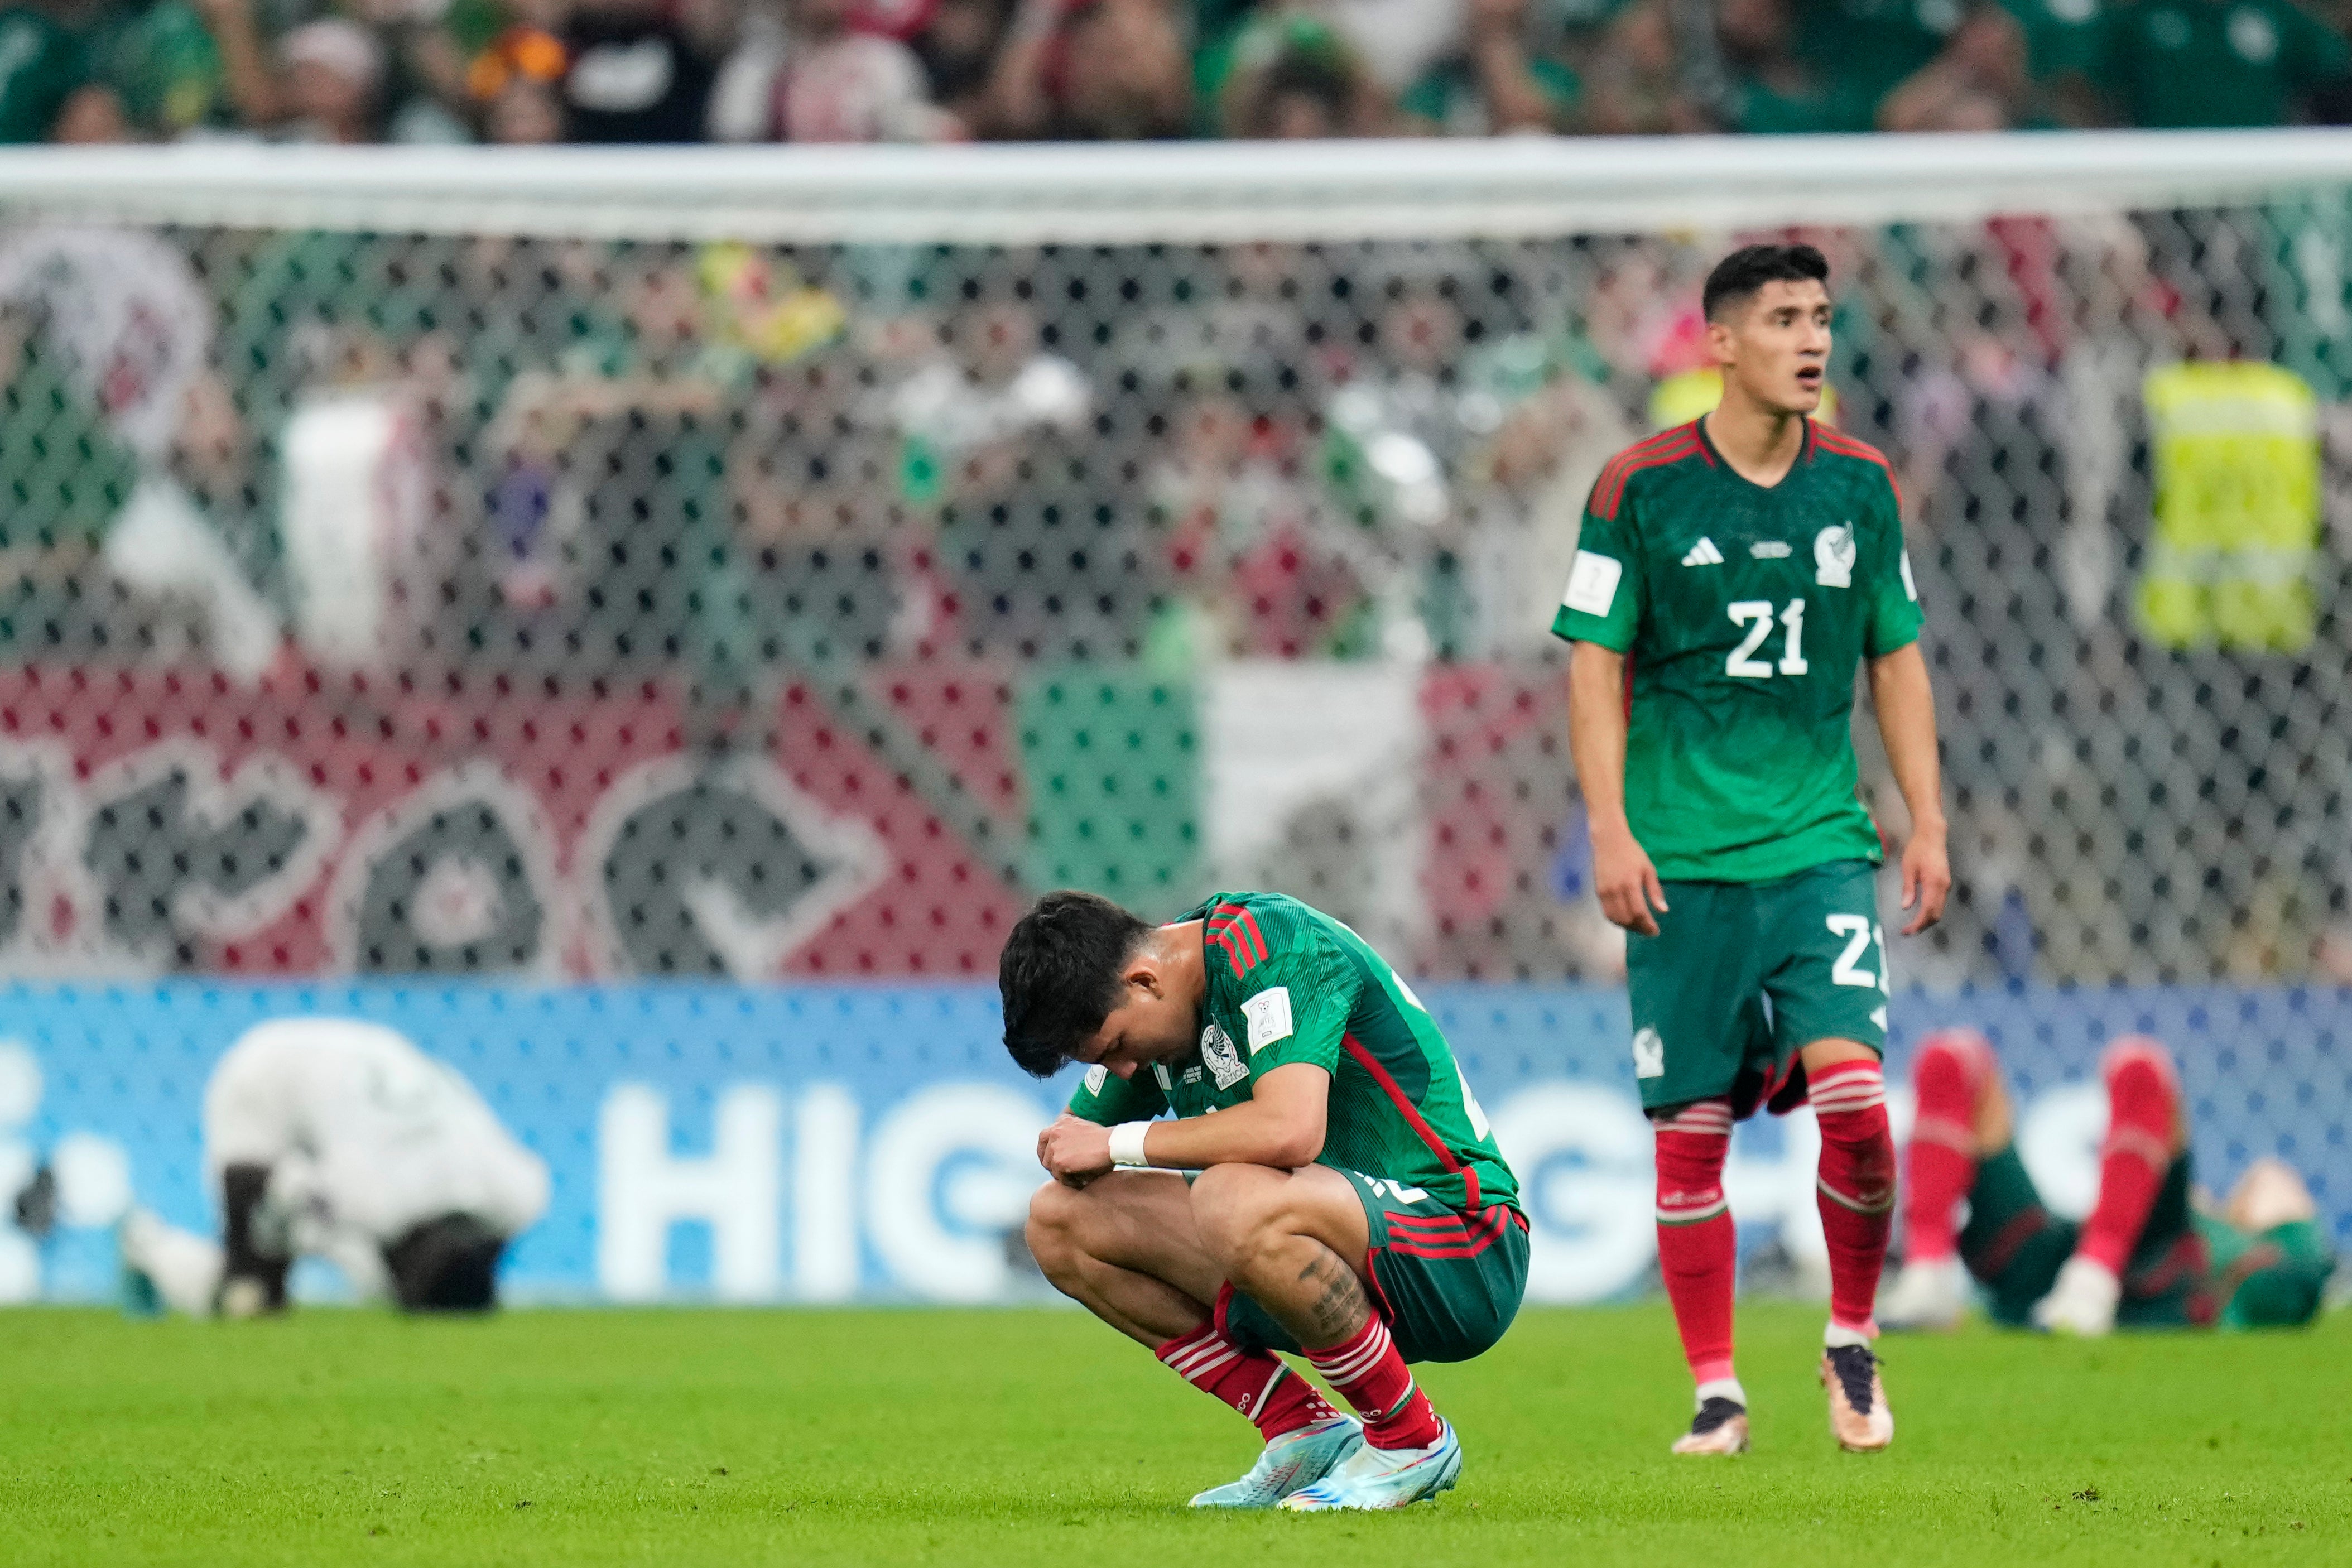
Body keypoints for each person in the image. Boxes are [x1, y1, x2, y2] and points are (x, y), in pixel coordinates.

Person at [1556, 243, 1951, 1456]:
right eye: (1783, 318)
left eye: (1821, 317)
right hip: (1679, 859)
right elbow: (1591, 661)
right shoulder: (1638, 485)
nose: (1810, 339)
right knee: (1689, 1135)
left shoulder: (1860, 484)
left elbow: (1893, 653)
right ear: (1718, 343)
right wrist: (1609, 828)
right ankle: (1716, 1386)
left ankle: (1848, 1333)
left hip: (1819, 843)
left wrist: (1924, 816)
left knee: (1851, 1093)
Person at [1001, 888, 1527, 1511]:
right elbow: (1078, 1158)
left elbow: (1289, 1130)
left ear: (1144, 979)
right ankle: (1302, 1429)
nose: (1121, 1070)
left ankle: (1412, 1439)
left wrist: (1119, 1139)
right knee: (1059, 1221)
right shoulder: (1156, 1003)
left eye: (1115, 1046)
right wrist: (1087, 1144)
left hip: (1463, 1246)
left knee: (1232, 1190)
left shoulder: (1277, 946)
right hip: (1326, 1245)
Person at [1880, 1029, 2336, 1333]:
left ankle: (2091, 1280)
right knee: (1951, 1058)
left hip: (2158, 1274)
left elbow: (2276, 1191)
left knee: (2139, 1065)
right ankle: (1930, 1276)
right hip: (2063, 1275)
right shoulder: (2231, 1234)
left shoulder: (2250, 1256)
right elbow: (2273, 1183)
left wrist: (2226, 1209)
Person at [118, 1017, 549, 1315]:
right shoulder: (371, 1199)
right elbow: (284, 1197)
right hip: (263, 1077)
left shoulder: (519, 1194)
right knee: (250, 1296)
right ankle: (143, 1243)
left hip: (364, 1051)